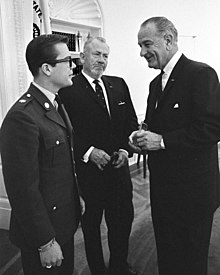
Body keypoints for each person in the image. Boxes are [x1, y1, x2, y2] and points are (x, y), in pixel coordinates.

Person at [129, 16, 220, 275]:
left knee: (190, 262)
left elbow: (213, 127)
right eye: (140, 46)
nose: (142, 52)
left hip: (192, 195)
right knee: (168, 257)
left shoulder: (201, 74)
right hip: (163, 192)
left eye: (147, 44)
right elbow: (155, 126)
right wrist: (141, 136)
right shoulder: (154, 84)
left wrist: (162, 141)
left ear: (168, 40)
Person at [0, 34, 82, 275]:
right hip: (43, 235)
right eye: (67, 60)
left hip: (62, 223)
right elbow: (22, 190)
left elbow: (60, 166)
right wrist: (45, 241)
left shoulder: (55, 104)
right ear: (46, 68)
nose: (73, 66)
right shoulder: (22, 117)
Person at [59, 37, 139, 275]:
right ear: (82, 57)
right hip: (89, 177)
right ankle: (97, 270)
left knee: (121, 224)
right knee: (91, 229)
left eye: (105, 55)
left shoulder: (119, 84)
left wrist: (126, 150)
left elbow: (131, 123)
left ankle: (119, 267)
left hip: (119, 174)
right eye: (96, 54)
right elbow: (65, 132)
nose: (101, 60)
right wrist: (89, 152)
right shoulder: (67, 89)